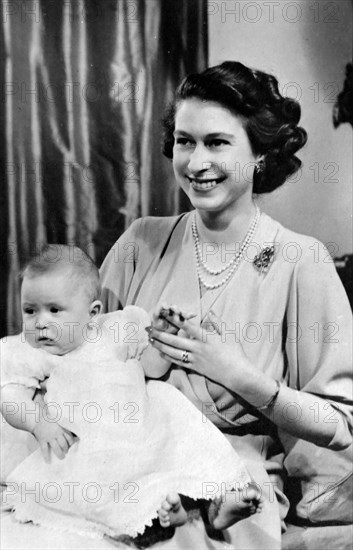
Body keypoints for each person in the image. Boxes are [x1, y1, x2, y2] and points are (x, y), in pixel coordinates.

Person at [99, 61, 353, 549]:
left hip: (230, 490)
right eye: (184, 141)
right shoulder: (140, 242)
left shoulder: (301, 261)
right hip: (126, 464)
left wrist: (240, 376)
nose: (196, 162)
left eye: (217, 142)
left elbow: (341, 424)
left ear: (260, 154)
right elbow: (82, 360)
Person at [0, 244, 263, 547]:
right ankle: (167, 518)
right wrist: (38, 423)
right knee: (102, 495)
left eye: (54, 310)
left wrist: (161, 333)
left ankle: (216, 500)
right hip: (87, 440)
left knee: (183, 436)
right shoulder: (34, 352)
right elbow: (11, 395)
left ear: (93, 313)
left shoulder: (116, 329)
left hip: (142, 428)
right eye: (30, 311)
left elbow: (151, 367)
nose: (40, 322)